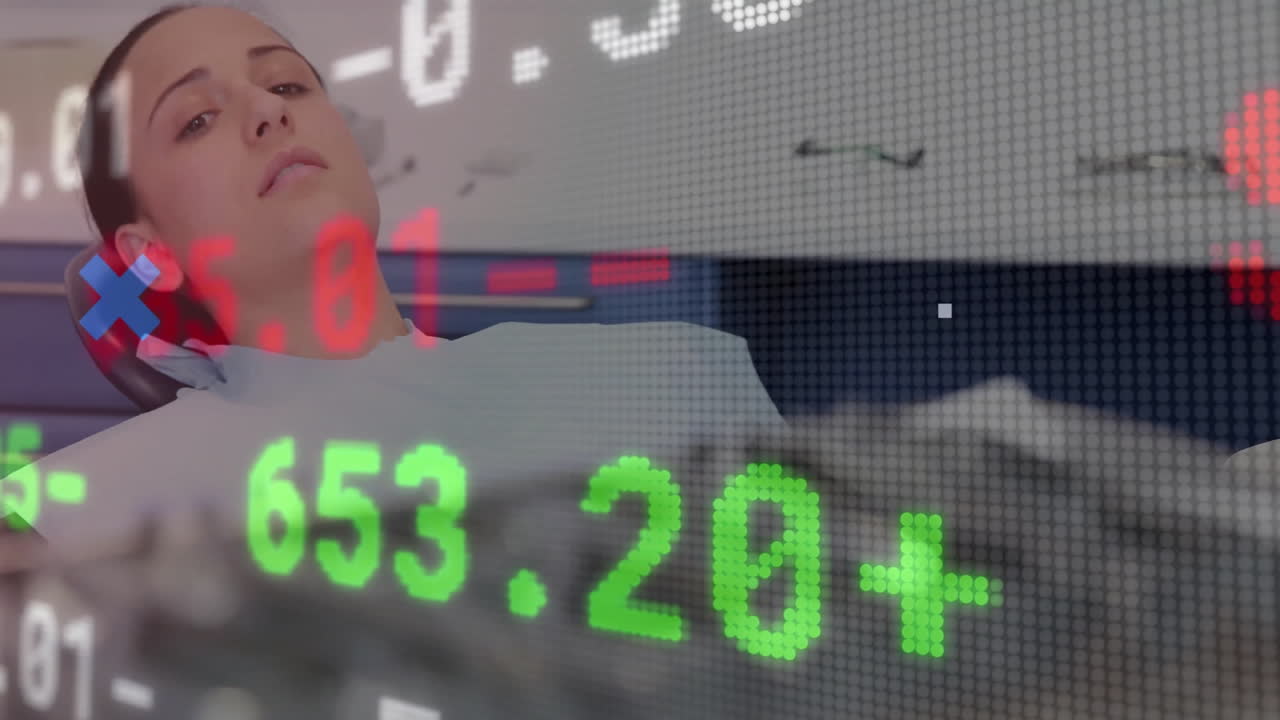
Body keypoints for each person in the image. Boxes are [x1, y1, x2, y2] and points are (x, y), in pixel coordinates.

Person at [3, 3, 785, 558]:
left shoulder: (672, 376)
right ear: (149, 253)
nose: (270, 114)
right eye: (197, 119)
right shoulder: (68, 519)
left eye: (286, 86)